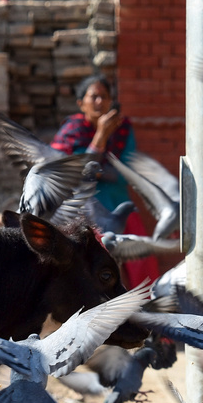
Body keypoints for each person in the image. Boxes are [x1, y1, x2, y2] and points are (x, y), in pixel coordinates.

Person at [50, 75, 158, 284]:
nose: (100, 101)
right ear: (81, 104)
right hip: (82, 213)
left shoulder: (123, 129)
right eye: (94, 97)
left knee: (141, 268)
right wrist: (101, 136)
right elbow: (71, 174)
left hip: (118, 206)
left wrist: (93, 169)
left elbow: (123, 172)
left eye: (105, 97)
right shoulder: (71, 132)